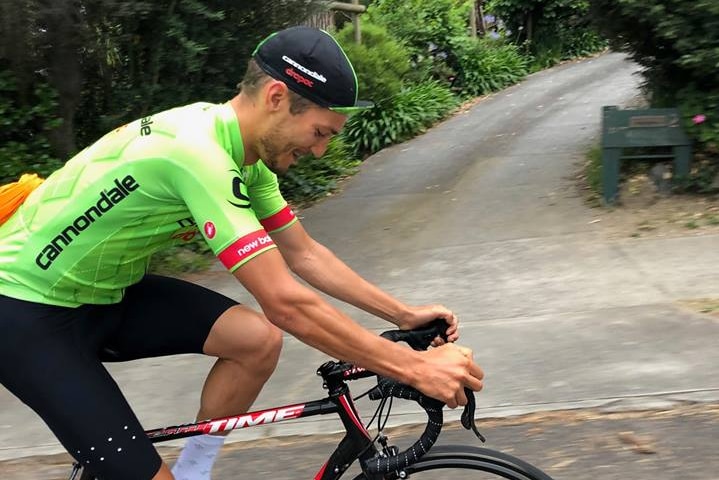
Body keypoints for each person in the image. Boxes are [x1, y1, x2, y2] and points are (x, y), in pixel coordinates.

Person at [0, 26, 484, 480]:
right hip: (24, 312)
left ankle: (194, 469)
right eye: (320, 133)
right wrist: (414, 367)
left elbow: (305, 254)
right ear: (277, 98)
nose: (319, 152)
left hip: (102, 295)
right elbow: (285, 302)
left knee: (254, 341)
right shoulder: (197, 155)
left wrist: (403, 314)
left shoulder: (244, 158)